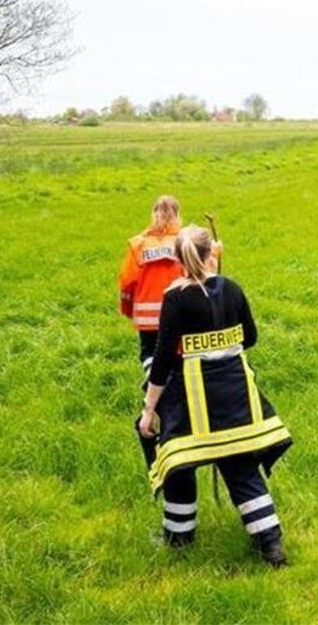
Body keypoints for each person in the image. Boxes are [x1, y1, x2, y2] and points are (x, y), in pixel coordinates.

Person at [139, 226, 292, 566]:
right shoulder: (232, 289)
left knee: (178, 464)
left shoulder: (175, 298)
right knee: (241, 467)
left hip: (193, 404)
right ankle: (271, 544)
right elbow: (249, 338)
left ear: (178, 260)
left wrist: (150, 410)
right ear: (212, 255)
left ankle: (178, 538)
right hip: (238, 398)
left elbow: (162, 360)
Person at [119, 195, 183, 469]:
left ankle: (155, 385)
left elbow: (126, 282)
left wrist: (128, 309)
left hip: (147, 320)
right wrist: (217, 252)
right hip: (180, 318)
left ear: (153, 213)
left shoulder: (138, 245)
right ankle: (170, 382)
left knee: (150, 354)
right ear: (178, 214)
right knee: (176, 356)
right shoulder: (185, 241)